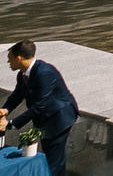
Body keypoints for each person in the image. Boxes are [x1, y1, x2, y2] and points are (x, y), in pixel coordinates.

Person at [4, 41, 77, 176]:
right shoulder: (22, 74)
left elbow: (40, 105)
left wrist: (11, 124)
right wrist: (5, 110)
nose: (8, 63)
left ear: (18, 58)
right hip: (45, 119)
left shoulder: (45, 73)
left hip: (59, 118)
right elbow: (17, 95)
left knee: (54, 161)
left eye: (9, 60)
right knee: (50, 156)